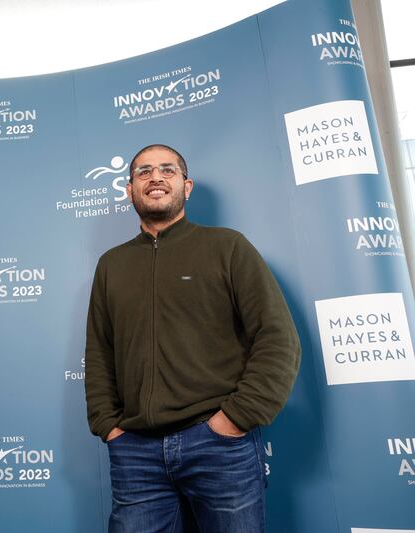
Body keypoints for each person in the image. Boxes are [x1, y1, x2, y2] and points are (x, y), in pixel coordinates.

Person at [84, 144, 300, 532]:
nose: (155, 178)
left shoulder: (227, 247)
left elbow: (278, 338)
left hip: (219, 445)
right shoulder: (111, 264)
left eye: (167, 170)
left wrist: (236, 419)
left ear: (186, 186)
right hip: (135, 451)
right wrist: (109, 426)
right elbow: (99, 352)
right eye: (143, 172)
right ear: (130, 189)